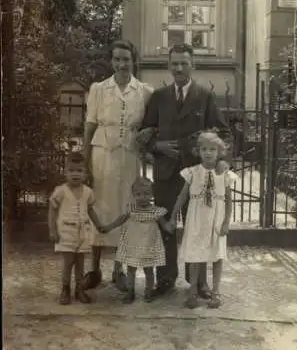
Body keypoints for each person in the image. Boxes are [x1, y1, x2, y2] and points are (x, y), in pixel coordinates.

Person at [140, 43, 232, 298]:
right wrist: (158, 145)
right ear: (169, 66)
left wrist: (222, 159)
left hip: (198, 178)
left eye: (184, 63)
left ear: (193, 65)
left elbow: (224, 133)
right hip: (166, 175)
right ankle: (166, 279)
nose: (178, 68)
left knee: (199, 229)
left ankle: (198, 282)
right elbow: (144, 134)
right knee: (166, 228)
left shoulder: (205, 96)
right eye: (174, 63)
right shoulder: (158, 97)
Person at [82, 40, 153, 292]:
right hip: (102, 155)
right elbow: (90, 125)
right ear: (111, 61)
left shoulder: (144, 91)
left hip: (129, 157)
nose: (122, 64)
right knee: (99, 208)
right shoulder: (99, 89)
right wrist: (85, 161)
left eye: (126, 59)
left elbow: (151, 125)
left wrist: (148, 134)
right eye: (117, 59)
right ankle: (94, 269)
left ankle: (119, 270)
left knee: (126, 208)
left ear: (134, 61)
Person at [167, 131, 234, 309]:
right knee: (196, 255)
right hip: (196, 219)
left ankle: (216, 291)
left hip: (216, 220)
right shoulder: (192, 172)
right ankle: (193, 290)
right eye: (204, 149)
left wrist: (227, 222)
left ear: (220, 152)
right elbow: (182, 196)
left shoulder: (224, 173)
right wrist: (173, 216)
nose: (208, 153)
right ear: (198, 151)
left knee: (217, 255)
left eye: (212, 149)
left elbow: (228, 200)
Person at [48, 151, 106, 305]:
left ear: (85, 173)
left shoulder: (88, 192)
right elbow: (52, 210)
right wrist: (52, 230)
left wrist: (98, 224)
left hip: (83, 233)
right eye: (71, 170)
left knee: (80, 263)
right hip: (66, 232)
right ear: (65, 172)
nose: (75, 174)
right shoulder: (60, 191)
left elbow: (91, 210)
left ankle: (79, 289)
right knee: (68, 262)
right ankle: (65, 289)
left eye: (79, 171)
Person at [102, 177, 170, 304]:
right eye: (138, 194)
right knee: (131, 268)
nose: (142, 197)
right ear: (133, 195)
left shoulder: (155, 211)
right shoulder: (131, 208)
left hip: (149, 244)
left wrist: (170, 227)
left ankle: (148, 291)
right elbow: (121, 219)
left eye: (146, 194)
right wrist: (109, 227)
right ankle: (130, 291)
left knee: (149, 269)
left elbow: (165, 225)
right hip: (132, 243)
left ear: (151, 194)